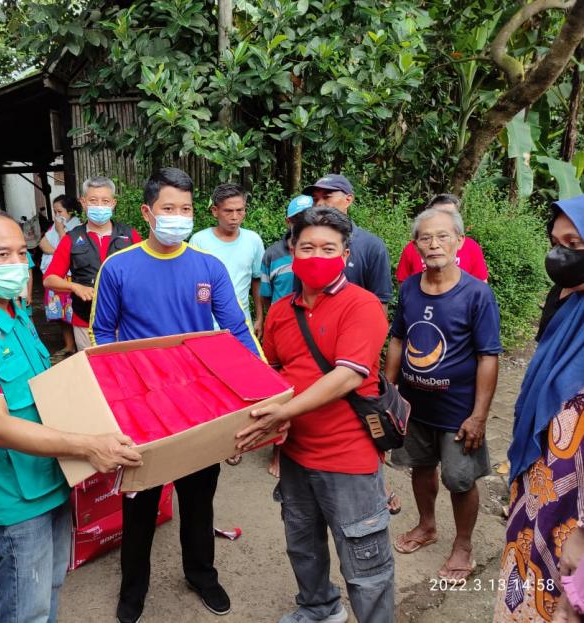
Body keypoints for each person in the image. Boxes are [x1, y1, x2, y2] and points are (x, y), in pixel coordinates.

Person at [0, 209, 141, 623]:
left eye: (21, 253)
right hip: (14, 501)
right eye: (2, 254)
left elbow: (45, 390)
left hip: (52, 478)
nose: (17, 264)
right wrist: (88, 445)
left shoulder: (16, 312)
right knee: (25, 609)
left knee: (49, 590)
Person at [91, 167, 260, 623]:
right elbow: (102, 334)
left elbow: (236, 329)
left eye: (185, 209)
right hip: (141, 407)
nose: (178, 217)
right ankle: (133, 593)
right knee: (140, 503)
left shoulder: (208, 266)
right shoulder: (119, 266)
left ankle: (202, 575)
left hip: (198, 403)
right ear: (147, 213)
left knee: (199, 500)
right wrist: (115, 401)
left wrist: (260, 391)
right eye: (169, 209)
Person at [237, 207, 393, 623]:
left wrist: (283, 411)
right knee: (302, 544)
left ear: (345, 256)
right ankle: (320, 608)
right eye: (308, 246)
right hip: (295, 454)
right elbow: (272, 372)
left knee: (365, 562)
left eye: (329, 248)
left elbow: (346, 377)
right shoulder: (281, 311)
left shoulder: (363, 306)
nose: (317, 255)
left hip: (348, 457)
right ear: (292, 250)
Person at [386, 207, 501, 582]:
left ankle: (463, 546)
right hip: (415, 407)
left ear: (459, 242)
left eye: (442, 236)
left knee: (460, 479)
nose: (434, 244)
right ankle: (427, 525)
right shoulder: (409, 288)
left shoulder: (476, 293)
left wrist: (479, 415)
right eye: (425, 237)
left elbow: (488, 356)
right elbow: (399, 338)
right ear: (416, 244)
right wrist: (388, 391)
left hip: (458, 411)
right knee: (420, 467)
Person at [494, 196, 584, 622]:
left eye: (575, 243)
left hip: (575, 521)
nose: (560, 254)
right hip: (539, 491)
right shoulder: (566, 306)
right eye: (555, 241)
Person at [43, 176, 141, 351]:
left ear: (113, 203)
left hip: (127, 320)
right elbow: (49, 279)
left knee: (127, 371)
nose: (99, 206)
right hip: (85, 321)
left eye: (105, 201)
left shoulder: (130, 235)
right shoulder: (71, 239)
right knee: (95, 372)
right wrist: (75, 287)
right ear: (83, 202)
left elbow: (146, 274)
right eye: (93, 200)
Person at [303, 174, 393, 308]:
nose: (319, 204)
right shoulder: (305, 245)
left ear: (348, 200)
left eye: (327, 197)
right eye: (315, 199)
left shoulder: (372, 246)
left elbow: (380, 302)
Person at [190, 183, 265, 336]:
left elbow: (256, 279)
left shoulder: (253, 240)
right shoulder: (199, 241)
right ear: (215, 211)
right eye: (228, 211)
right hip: (207, 329)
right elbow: (191, 287)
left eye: (240, 210)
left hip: (242, 327)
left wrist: (259, 317)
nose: (235, 217)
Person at [396, 193, 488, 282]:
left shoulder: (471, 247)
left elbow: (481, 285)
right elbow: (404, 287)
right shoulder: (413, 247)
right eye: (438, 214)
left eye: (450, 215)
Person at [39, 195, 82, 356]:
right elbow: (42, 243)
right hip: (55, 277)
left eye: (60, 211)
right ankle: (69, 346)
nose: (57, 215)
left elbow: (69, 248)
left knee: (73, 313)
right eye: (55, 211)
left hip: (70, 279)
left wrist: (60, 230)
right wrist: (59, 255)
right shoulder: (55, 226)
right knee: (60, 315)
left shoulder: (78, 227)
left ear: (70, 211)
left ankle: (79, 347)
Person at [260, 194, 313, 306]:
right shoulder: (272, 254)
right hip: (282, 320)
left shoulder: (326, 254)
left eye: (312, 217)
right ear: (288, 222)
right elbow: (266, 296)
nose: (305, 224)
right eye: (298, 219)